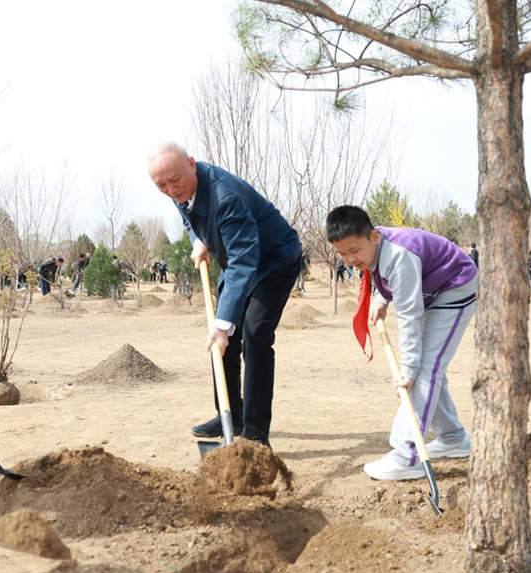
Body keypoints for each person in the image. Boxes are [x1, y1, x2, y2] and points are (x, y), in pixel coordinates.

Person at [147, 142, 301, 447]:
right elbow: (190, 217)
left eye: (175, 180)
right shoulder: (180, 190)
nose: (171, 190)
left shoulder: (225, 196)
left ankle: (255, 433)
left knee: (254, 336)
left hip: (273, 261)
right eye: (161, 185)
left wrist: (223, 322)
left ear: (192, 164)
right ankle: (230, 414)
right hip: (238, 261)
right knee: (222, 339)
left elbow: (245, 260)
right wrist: (199, 240)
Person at [326, 205, 478, 481]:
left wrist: (408, 370)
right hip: (432, 289)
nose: (349, 259)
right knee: (429, 367)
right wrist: (381, 298)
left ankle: (407, 455)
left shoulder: (399, 255)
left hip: (455, 287)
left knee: (424, 369)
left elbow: (409, 315)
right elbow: (386, 277)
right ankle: (453, 437)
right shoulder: (377, 246)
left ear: (373, 236)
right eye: (342, 253)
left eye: (354, 250)